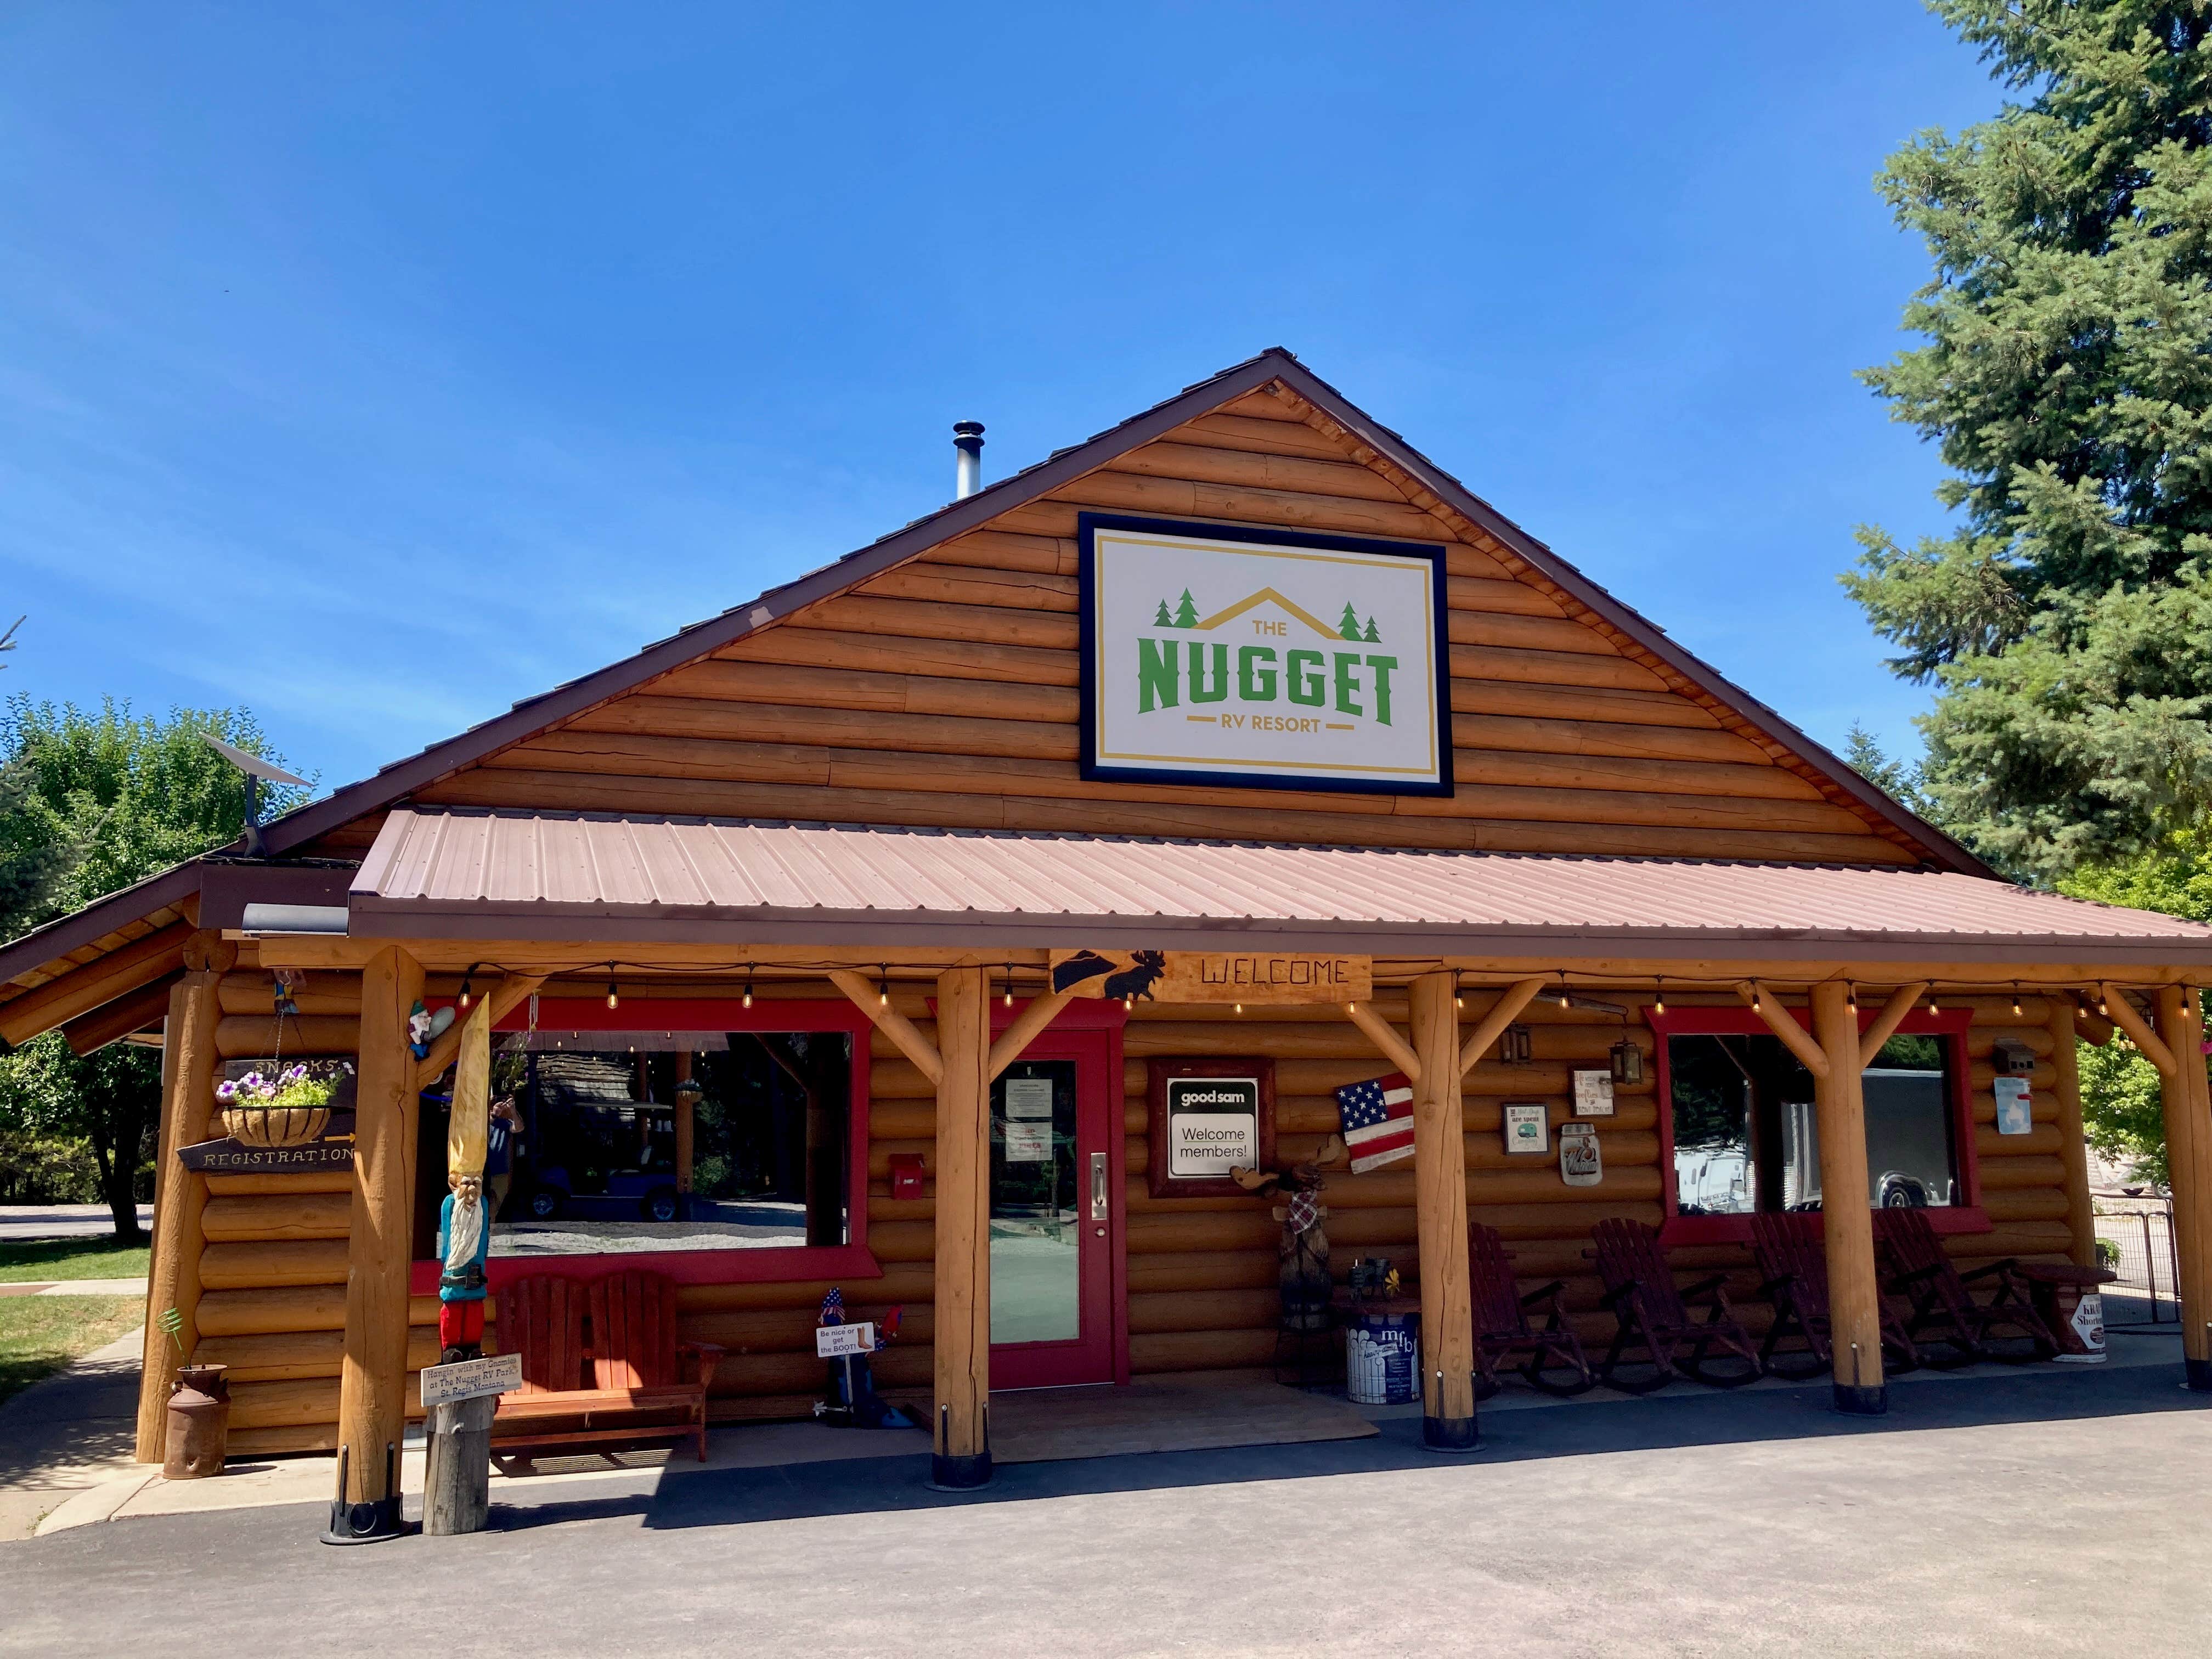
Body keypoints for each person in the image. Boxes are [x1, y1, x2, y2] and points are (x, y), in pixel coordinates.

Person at [484, 1095, 520, 1221]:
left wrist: (513, 1110)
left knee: (495, 1205)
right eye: (497, 1106)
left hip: (500, 1172)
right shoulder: (482, 1124)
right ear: (490, 1108)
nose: (500, 1110)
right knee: (481, 1203)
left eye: (501, 1107)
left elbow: (519, 1128)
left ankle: (487, 1230)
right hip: (482, 1172)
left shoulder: (504, 1124)